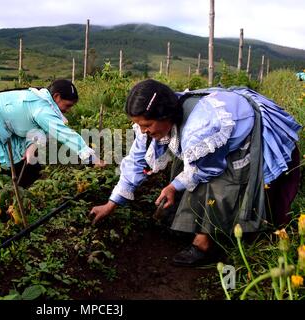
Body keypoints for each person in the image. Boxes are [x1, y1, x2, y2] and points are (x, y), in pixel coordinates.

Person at [90, 79, 301, 266]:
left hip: (248, 129)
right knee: (183, 168)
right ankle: (186, 222)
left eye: (147, 125)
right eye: (138, 125)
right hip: (222, 125)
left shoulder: (200, 129)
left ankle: (205, 244)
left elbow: (206, 170)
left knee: (222, 182)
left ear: (165, 115)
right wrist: (112, 203)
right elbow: (136, 160)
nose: (143, 130)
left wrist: (173, 186)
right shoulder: (153, 121)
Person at [0, 79, 104, 189]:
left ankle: (8, 196)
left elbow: (38, 130)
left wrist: (31, 147)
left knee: (25, 166)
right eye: (67, 105)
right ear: (56, 97)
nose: (68, 110)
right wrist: (91, 158)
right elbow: (64, 134)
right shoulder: (41, 107)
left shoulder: (43, 103)